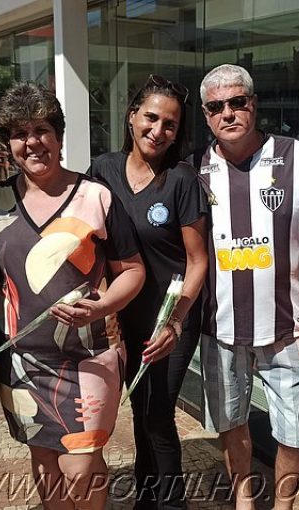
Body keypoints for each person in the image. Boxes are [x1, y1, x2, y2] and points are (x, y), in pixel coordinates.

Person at [0, 81, 145, 510]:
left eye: (41, 130)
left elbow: (133, 271)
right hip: (22, 359)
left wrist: (103, 306)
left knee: (81, 464)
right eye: (19, 134)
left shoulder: (95, 196)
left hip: (88, 356)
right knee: (43, 458)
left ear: (58, 136)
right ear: (8, 143)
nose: (32, 142)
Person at [190, 63, 299, 510]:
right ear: (206, 115)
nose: (227, 113)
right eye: (216, 107)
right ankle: (243, 502)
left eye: (237, 102)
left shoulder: (294, 156)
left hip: (288, 327)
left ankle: (283, 506)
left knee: (295, 431)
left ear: (254, 104)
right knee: (230, 423)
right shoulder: (193, 168)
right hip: (220, 328)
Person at [89, 74, 208, 509]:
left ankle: (171, 503)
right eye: (151, 118)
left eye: (170, 124)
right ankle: (146, 497)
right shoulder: (102, 171)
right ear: (131, 116)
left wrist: (173, 323)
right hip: (125, 318)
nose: (158, 131)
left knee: (158, 414)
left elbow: (198, 262)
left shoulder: (181, 180)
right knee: (140, 409)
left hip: (170, 323)